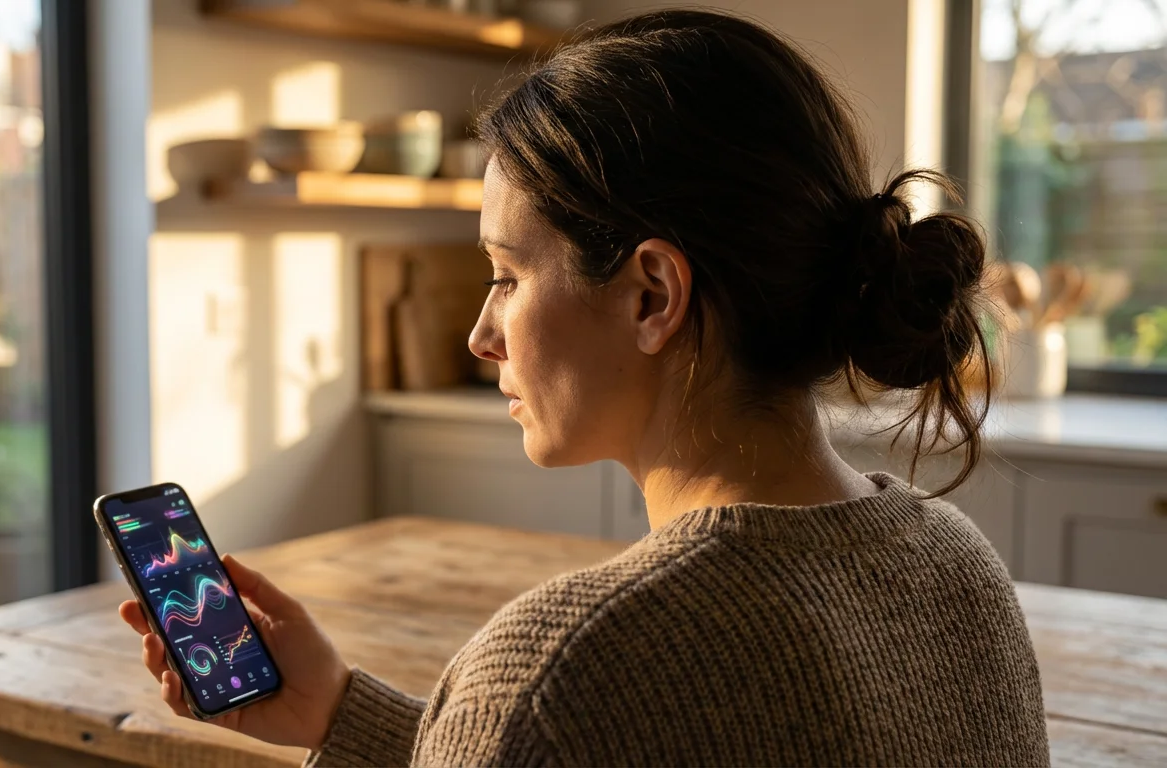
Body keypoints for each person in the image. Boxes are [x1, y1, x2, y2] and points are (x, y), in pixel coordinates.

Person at [119, 9, 1049, 766]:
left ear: (653, 294)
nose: (481, 334)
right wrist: (343, 715)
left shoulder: (568, 668)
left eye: (508, 276)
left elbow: (557, 726)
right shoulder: (958, 571)